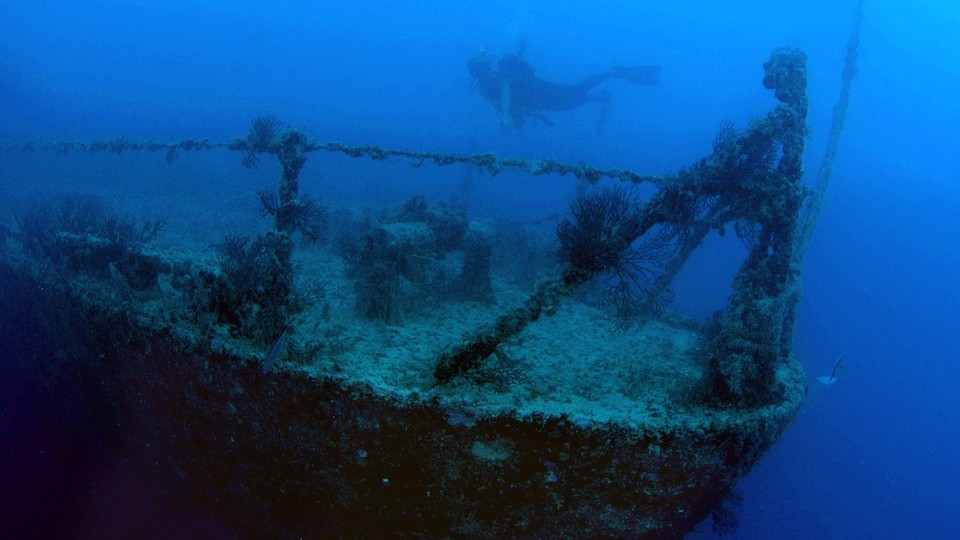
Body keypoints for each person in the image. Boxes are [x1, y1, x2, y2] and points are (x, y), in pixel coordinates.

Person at [468, 48, 661, 132]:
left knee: (575, 93)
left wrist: (504, 119)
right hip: (542, 97)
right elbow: (513, 105)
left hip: (542, 92)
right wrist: (539, 117)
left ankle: (612, 73)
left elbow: (508, 95)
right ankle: (601, 92)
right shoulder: (487, 87)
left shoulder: (496, 80)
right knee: (573, 98)